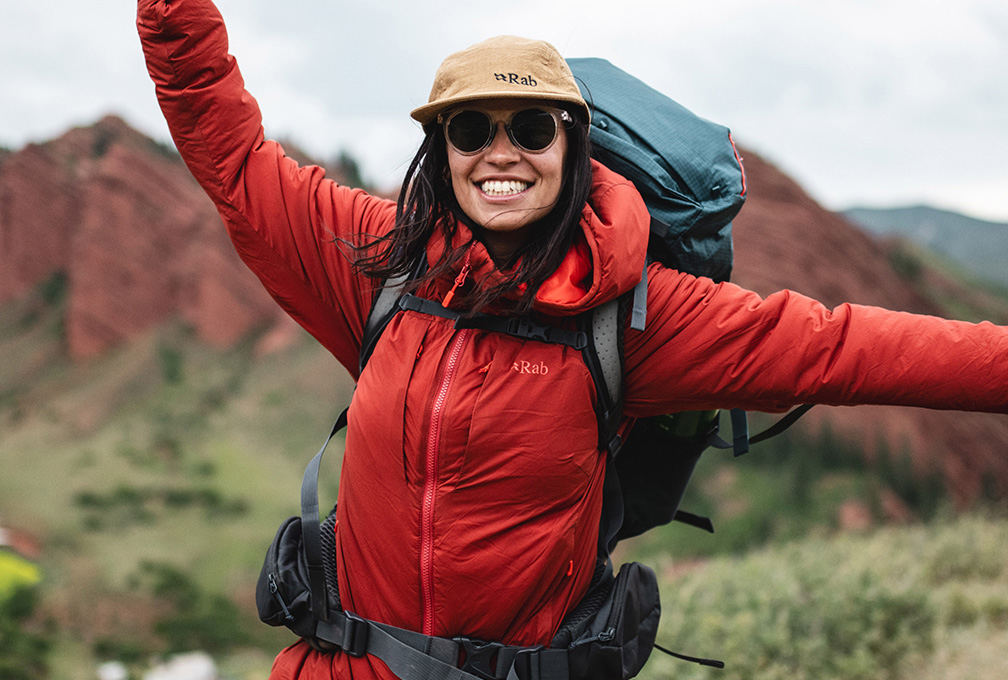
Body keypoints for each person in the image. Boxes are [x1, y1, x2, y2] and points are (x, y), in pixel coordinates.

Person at [136, 1, 1008, 678]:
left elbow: (839, 348)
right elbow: (230, 153)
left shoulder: (633, 315)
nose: (500, 153)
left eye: (530, 127)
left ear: (571, 142)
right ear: (440, 149)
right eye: (470, 129)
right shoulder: (380, 264)